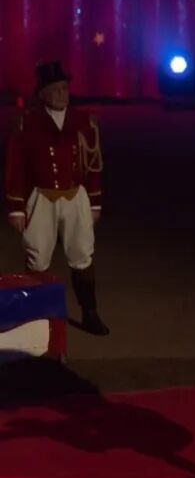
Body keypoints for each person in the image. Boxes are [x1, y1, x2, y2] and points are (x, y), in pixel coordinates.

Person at [4, 61, 109, 335]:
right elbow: (16, 167)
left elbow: (93, 164)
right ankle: (35, 317)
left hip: (76, 197)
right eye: (55, 89)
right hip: (41, 197)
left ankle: (90, 313)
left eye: (64, 88)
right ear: (42, 93)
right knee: (37, 257)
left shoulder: (84, 121)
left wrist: (95, 201)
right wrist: (16, 208)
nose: (62, 94)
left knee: (82, 254)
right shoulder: (28, 122)